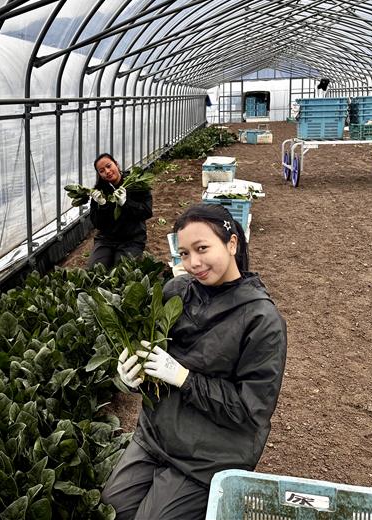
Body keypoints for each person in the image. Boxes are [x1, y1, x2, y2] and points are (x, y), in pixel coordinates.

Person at [101, 203, 287, 520]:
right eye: (184, 254)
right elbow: (152, 359)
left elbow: (248, 411)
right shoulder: (176, 290)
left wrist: (185, 378)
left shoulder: (262, 321)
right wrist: (130, 375)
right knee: (112, 507)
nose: (193, 263)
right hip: (156, 435)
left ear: (231, 243)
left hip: (209, 453)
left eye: (202, 249)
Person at [87, 153, 153, 270]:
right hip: (106, 240)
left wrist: (126, 203)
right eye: (102, 171)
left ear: (116, 164)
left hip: (132, 239)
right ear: (99, 175)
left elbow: (146, 212)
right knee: (95, 269)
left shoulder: (135, 183)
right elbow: (97, 224)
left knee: (122, 271)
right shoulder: (99, 191)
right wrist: (102, 205)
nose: (107, 171)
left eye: (109, 166)